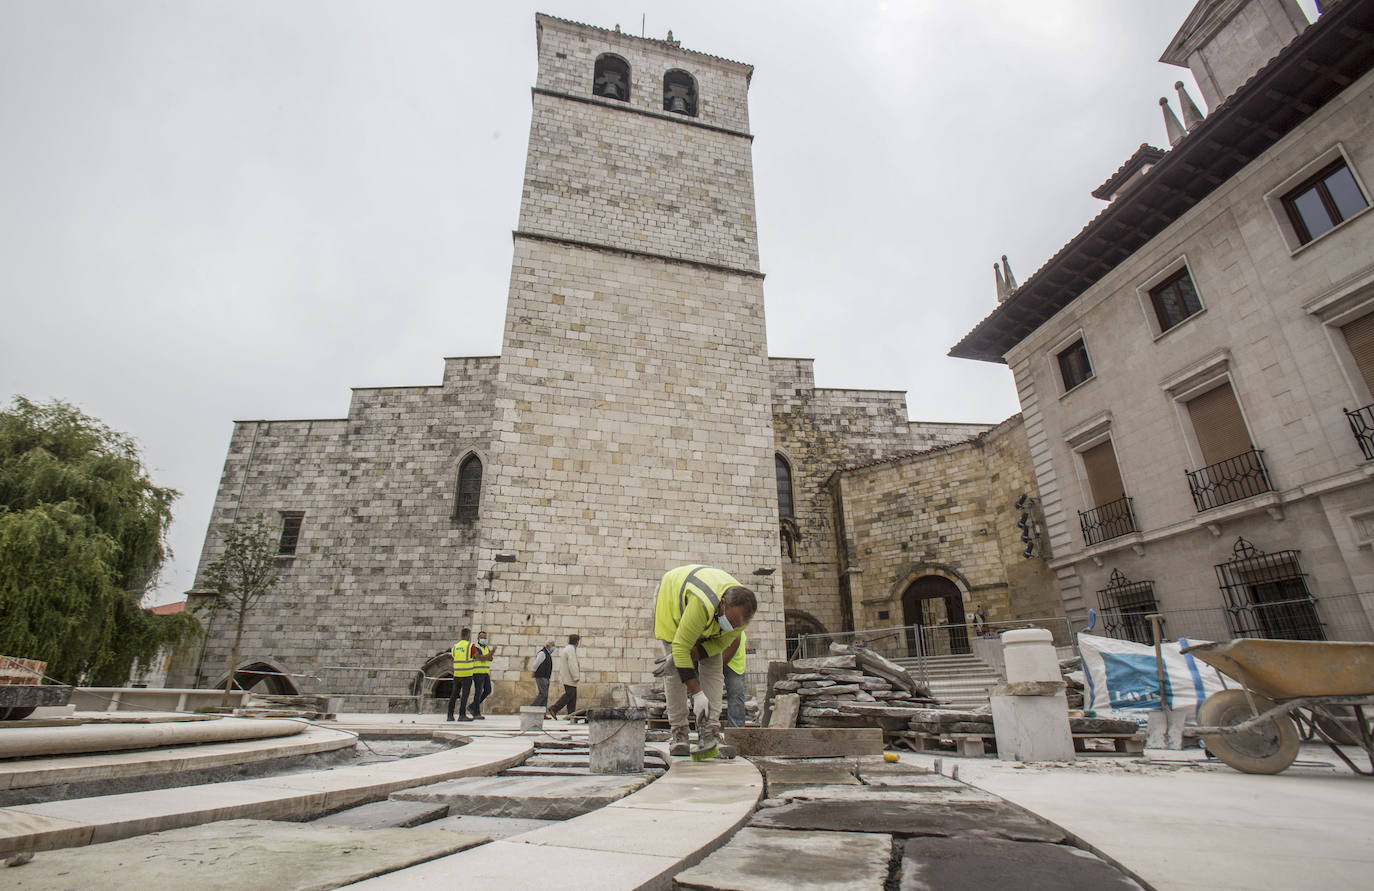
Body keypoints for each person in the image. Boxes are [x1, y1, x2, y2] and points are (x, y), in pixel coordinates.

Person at [654, 564, 757, 757]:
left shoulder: (740, 617)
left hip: (709, 618)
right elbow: (681, 646)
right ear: (723, 603)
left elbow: (715, 648)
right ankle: (679, 733)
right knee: (675, 673)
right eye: (731, 621)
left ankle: (710, 732)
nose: (733, 627)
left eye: (737, 625)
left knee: (713, 667)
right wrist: (697, 693)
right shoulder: (703, 603)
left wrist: (693, 654)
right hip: (673, 602)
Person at [546, 634, 581, 720]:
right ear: (577, 642)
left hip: (567, 676)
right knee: (569, 694)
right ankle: (554, 708)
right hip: (570, 677)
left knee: (572, 696)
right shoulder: (570, 650)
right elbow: (572, 664)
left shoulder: (569, 649)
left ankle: (571, 714)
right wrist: (576, 676)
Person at [446, 627, 475, 722]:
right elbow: (475, 656)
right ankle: (462, 715)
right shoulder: (470, 646)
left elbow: (454, 656)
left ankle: (450, 716)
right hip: (466, 674)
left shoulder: (455, 646)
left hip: (457, 674)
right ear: (467, 636)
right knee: (465, 695)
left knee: (454, 694)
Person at [722, 630, 748, 729]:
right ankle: (707, 733)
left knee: (736, 696)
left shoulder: (735, 622)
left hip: (735, 658)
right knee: (707, 695)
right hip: (711, 653)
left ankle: (736, 731)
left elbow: (736, 639)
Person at [468, 630, 496, 719]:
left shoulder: (485, 647)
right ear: (478, 638)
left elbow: (490, 658)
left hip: (485, 672)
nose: (483, 639)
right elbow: (481, 658)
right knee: (478, 692)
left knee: (488, 690)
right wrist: (491, 652)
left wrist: (489, 655)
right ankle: (476, 713)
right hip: (477, 672)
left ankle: (472, 706)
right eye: (481, 637)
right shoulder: (475, 647)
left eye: (484, 638)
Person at [530, 639, 556, 708]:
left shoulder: (547, 654)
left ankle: (542, 713)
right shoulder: (542, 653)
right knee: (543, 694)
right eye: (552, 645)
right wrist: (533, 672)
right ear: (548, 645)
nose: (554, 647)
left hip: (545, 677)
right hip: (541, 676)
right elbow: (536, 663)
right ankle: (532, 707)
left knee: (545, 695)